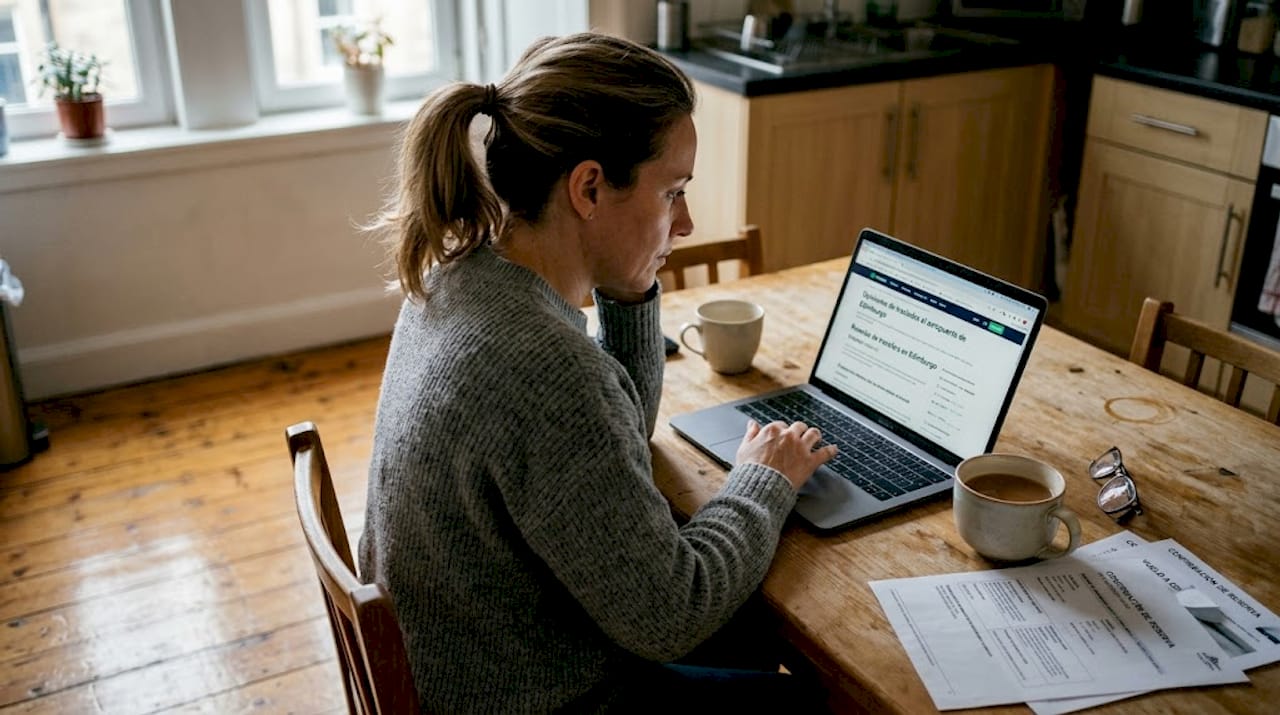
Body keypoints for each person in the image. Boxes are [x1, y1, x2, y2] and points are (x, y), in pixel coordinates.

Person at [359, 32, 837, 713]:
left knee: (748, 636)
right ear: (588, 187)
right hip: (540, 699)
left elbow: (612, 434)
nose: (686, 222)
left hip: (464, 665)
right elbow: (673, 611)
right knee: (816, 698)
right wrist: (765, 479)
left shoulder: (460, 272)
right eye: (672, 192)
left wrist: (630, 286)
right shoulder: (544, 366)